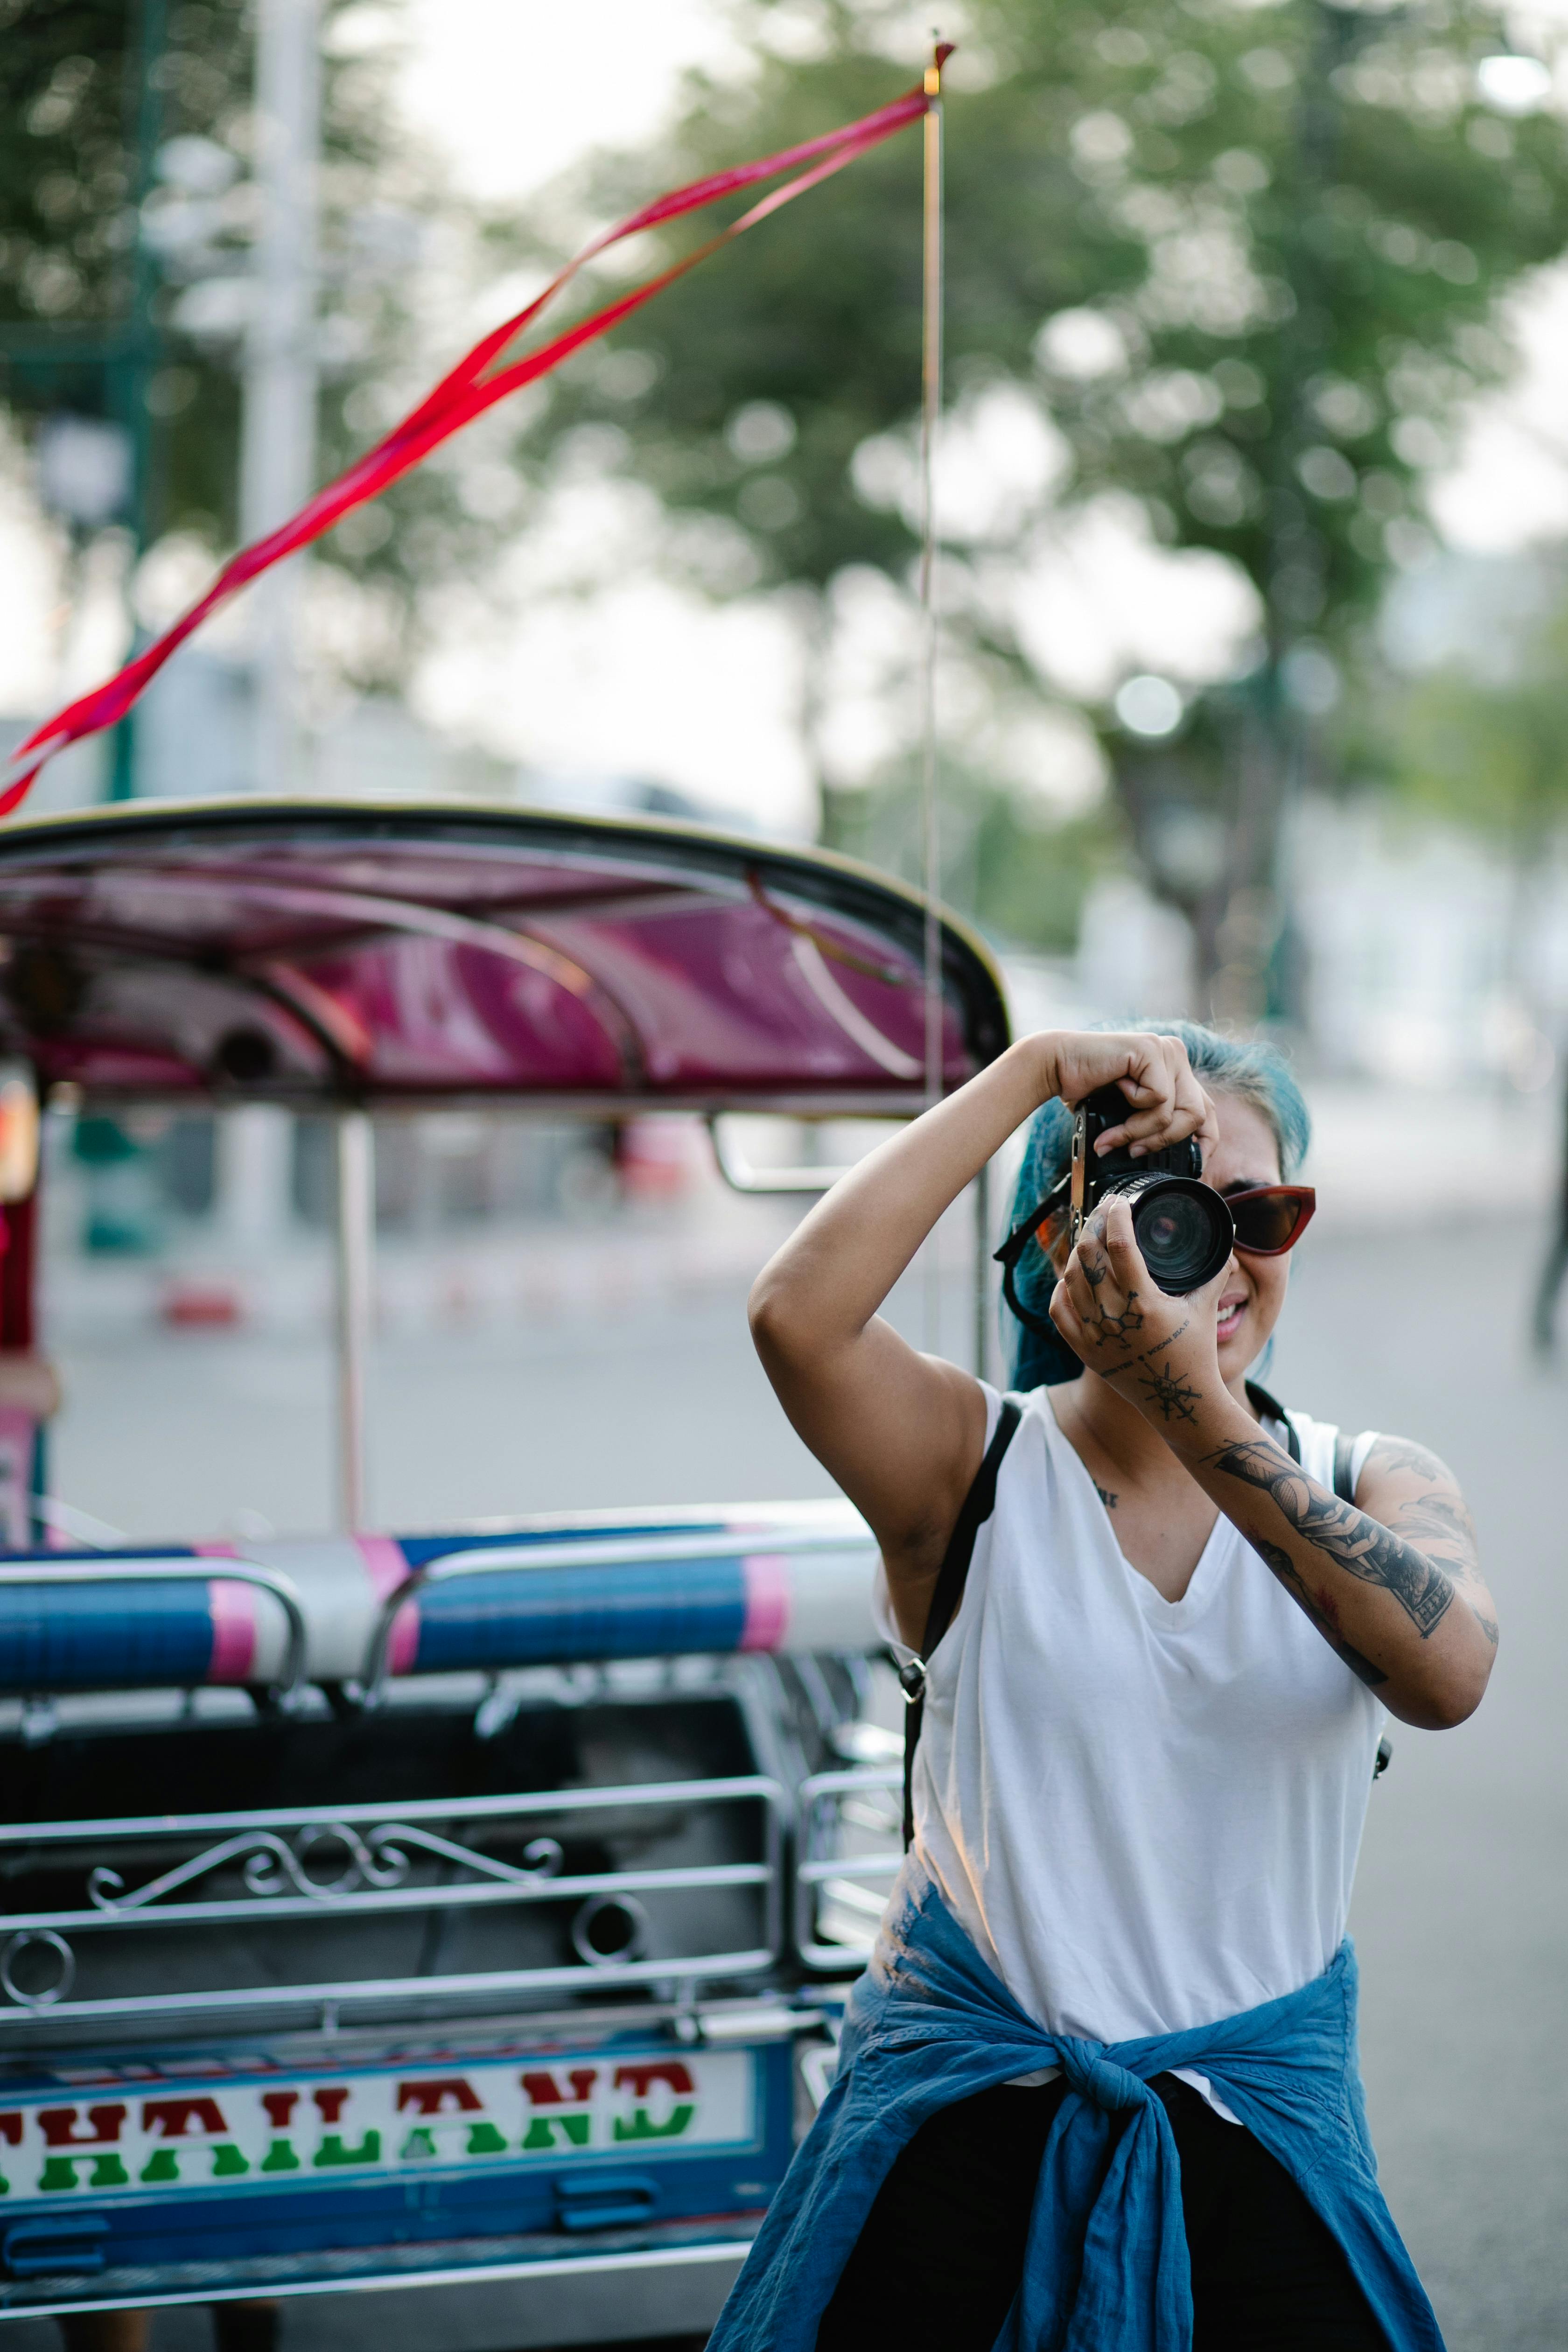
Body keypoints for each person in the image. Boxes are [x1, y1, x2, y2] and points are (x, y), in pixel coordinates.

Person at [716, 1022, 1497, 2352]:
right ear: (1054, 1243)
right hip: (966, 2152)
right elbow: (795, 1315)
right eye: (1164, 1203)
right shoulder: (967, 1469)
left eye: (1261, 1210)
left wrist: (1188, 1395)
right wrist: (1036, 1071)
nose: (1216, 1246)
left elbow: (1449, 1674)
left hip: (1263, 2147)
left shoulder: (1376, 1478)